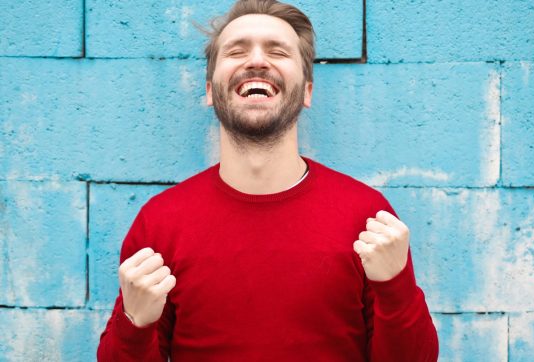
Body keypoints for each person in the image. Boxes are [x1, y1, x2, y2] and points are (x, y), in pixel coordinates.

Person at [97, 0, 439, 360]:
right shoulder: (160, 224)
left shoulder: (368, 218)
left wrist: (395, 288)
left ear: (307, 91)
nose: (257, 61)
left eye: (277, 51)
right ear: (211, 90)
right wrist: (134, 323)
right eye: (236, 50)